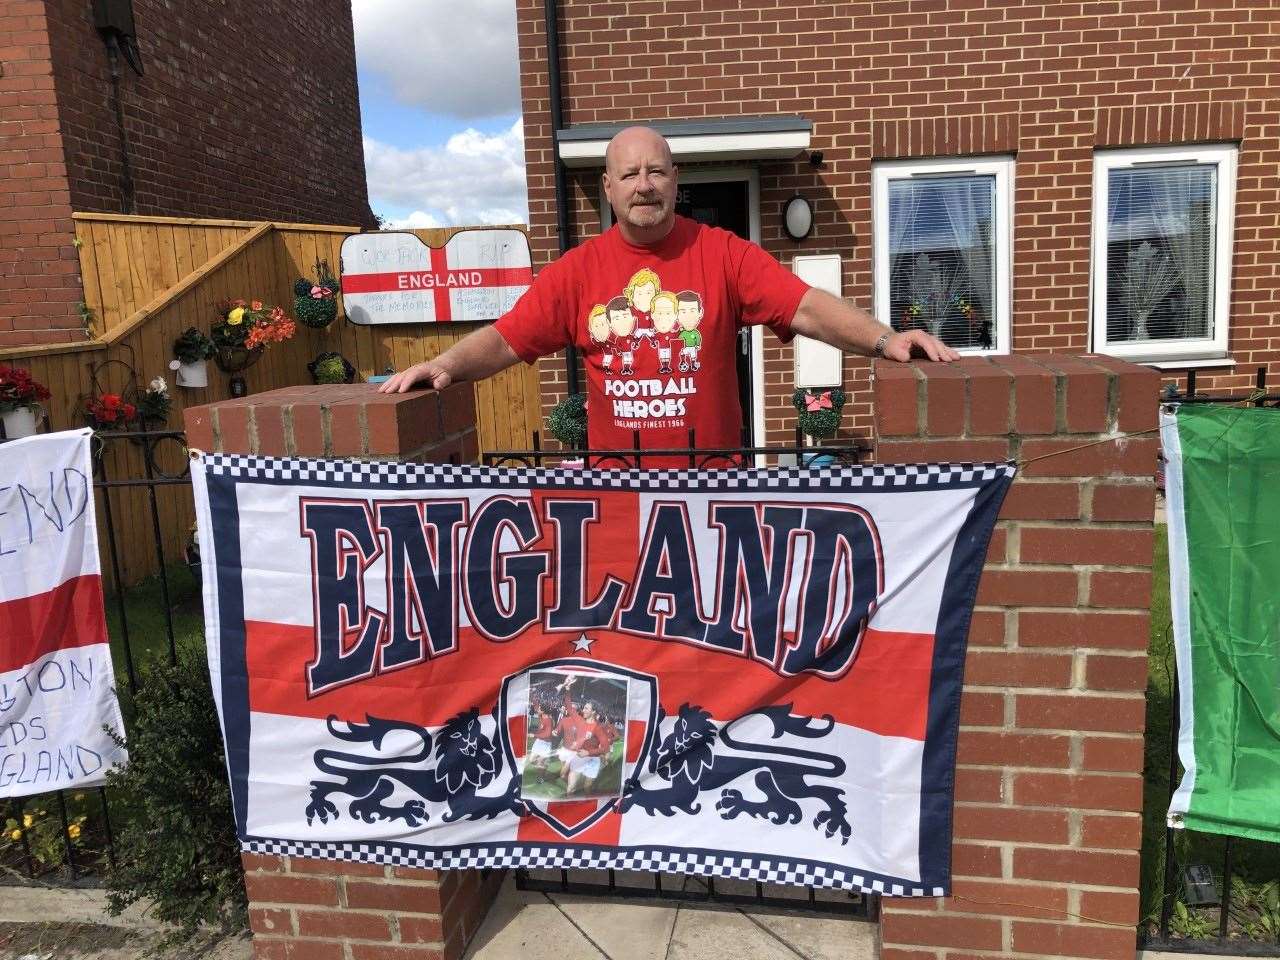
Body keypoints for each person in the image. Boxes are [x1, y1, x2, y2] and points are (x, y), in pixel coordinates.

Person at [380, 126, 958, 464]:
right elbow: (508, 339)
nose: (644, 185)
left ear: (675, 181)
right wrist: (445, 365)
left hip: (715, 491)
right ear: (608, 187)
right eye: (629, 175)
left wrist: (886, 340)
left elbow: (803, 304)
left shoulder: (723, 252)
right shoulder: (579, 272)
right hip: (620, 496)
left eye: (656, 172)